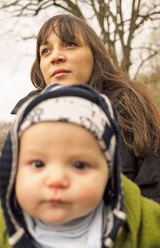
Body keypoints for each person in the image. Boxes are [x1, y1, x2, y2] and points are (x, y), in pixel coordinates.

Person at [0, 83, 160, 248]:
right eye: (38, 164)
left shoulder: (144, 223)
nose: (56, 180)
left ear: (109, 174)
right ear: (13, 171)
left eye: (79, 165)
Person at [12, 14, 160, 203]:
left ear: (95, 55)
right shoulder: (26, 119)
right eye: (46, 51)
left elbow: (154, 196)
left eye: (70, 44)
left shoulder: (130, 107)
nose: (55, 57)